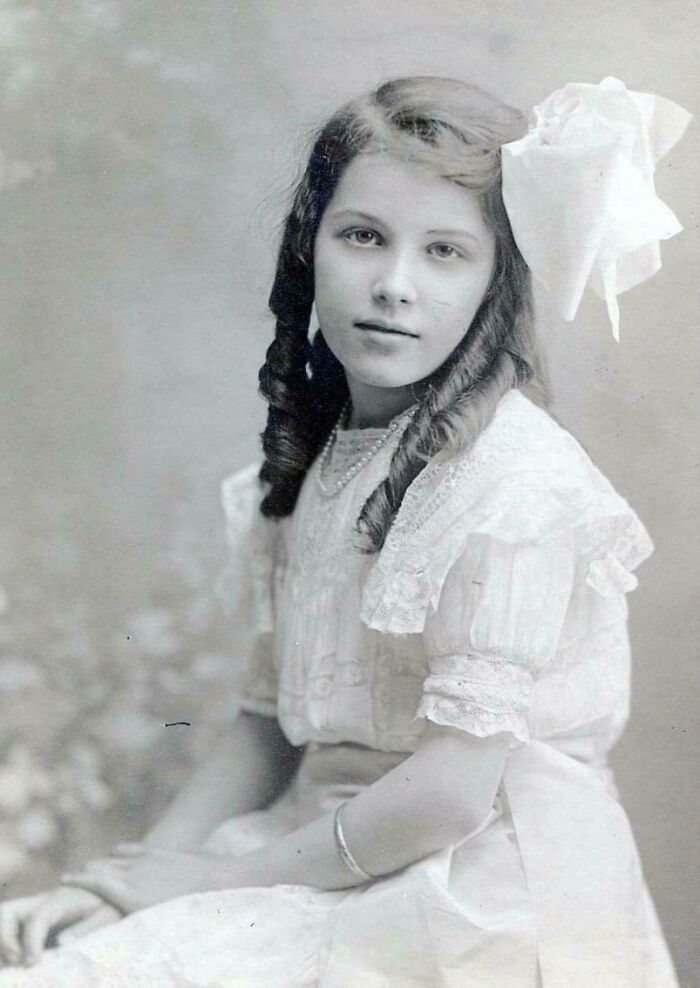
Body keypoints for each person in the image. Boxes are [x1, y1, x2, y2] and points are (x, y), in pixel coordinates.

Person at [0, 75, 689, 987]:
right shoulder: (314, 463)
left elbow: (449, 794)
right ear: (310, 247)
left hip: (478, 891)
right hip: (321, 848)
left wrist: (208, 885)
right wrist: (128, 884)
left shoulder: (515, 486)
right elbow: (264, 726)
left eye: (445, 251)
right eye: (364, 236)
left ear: (494, 280)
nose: (394, 285)